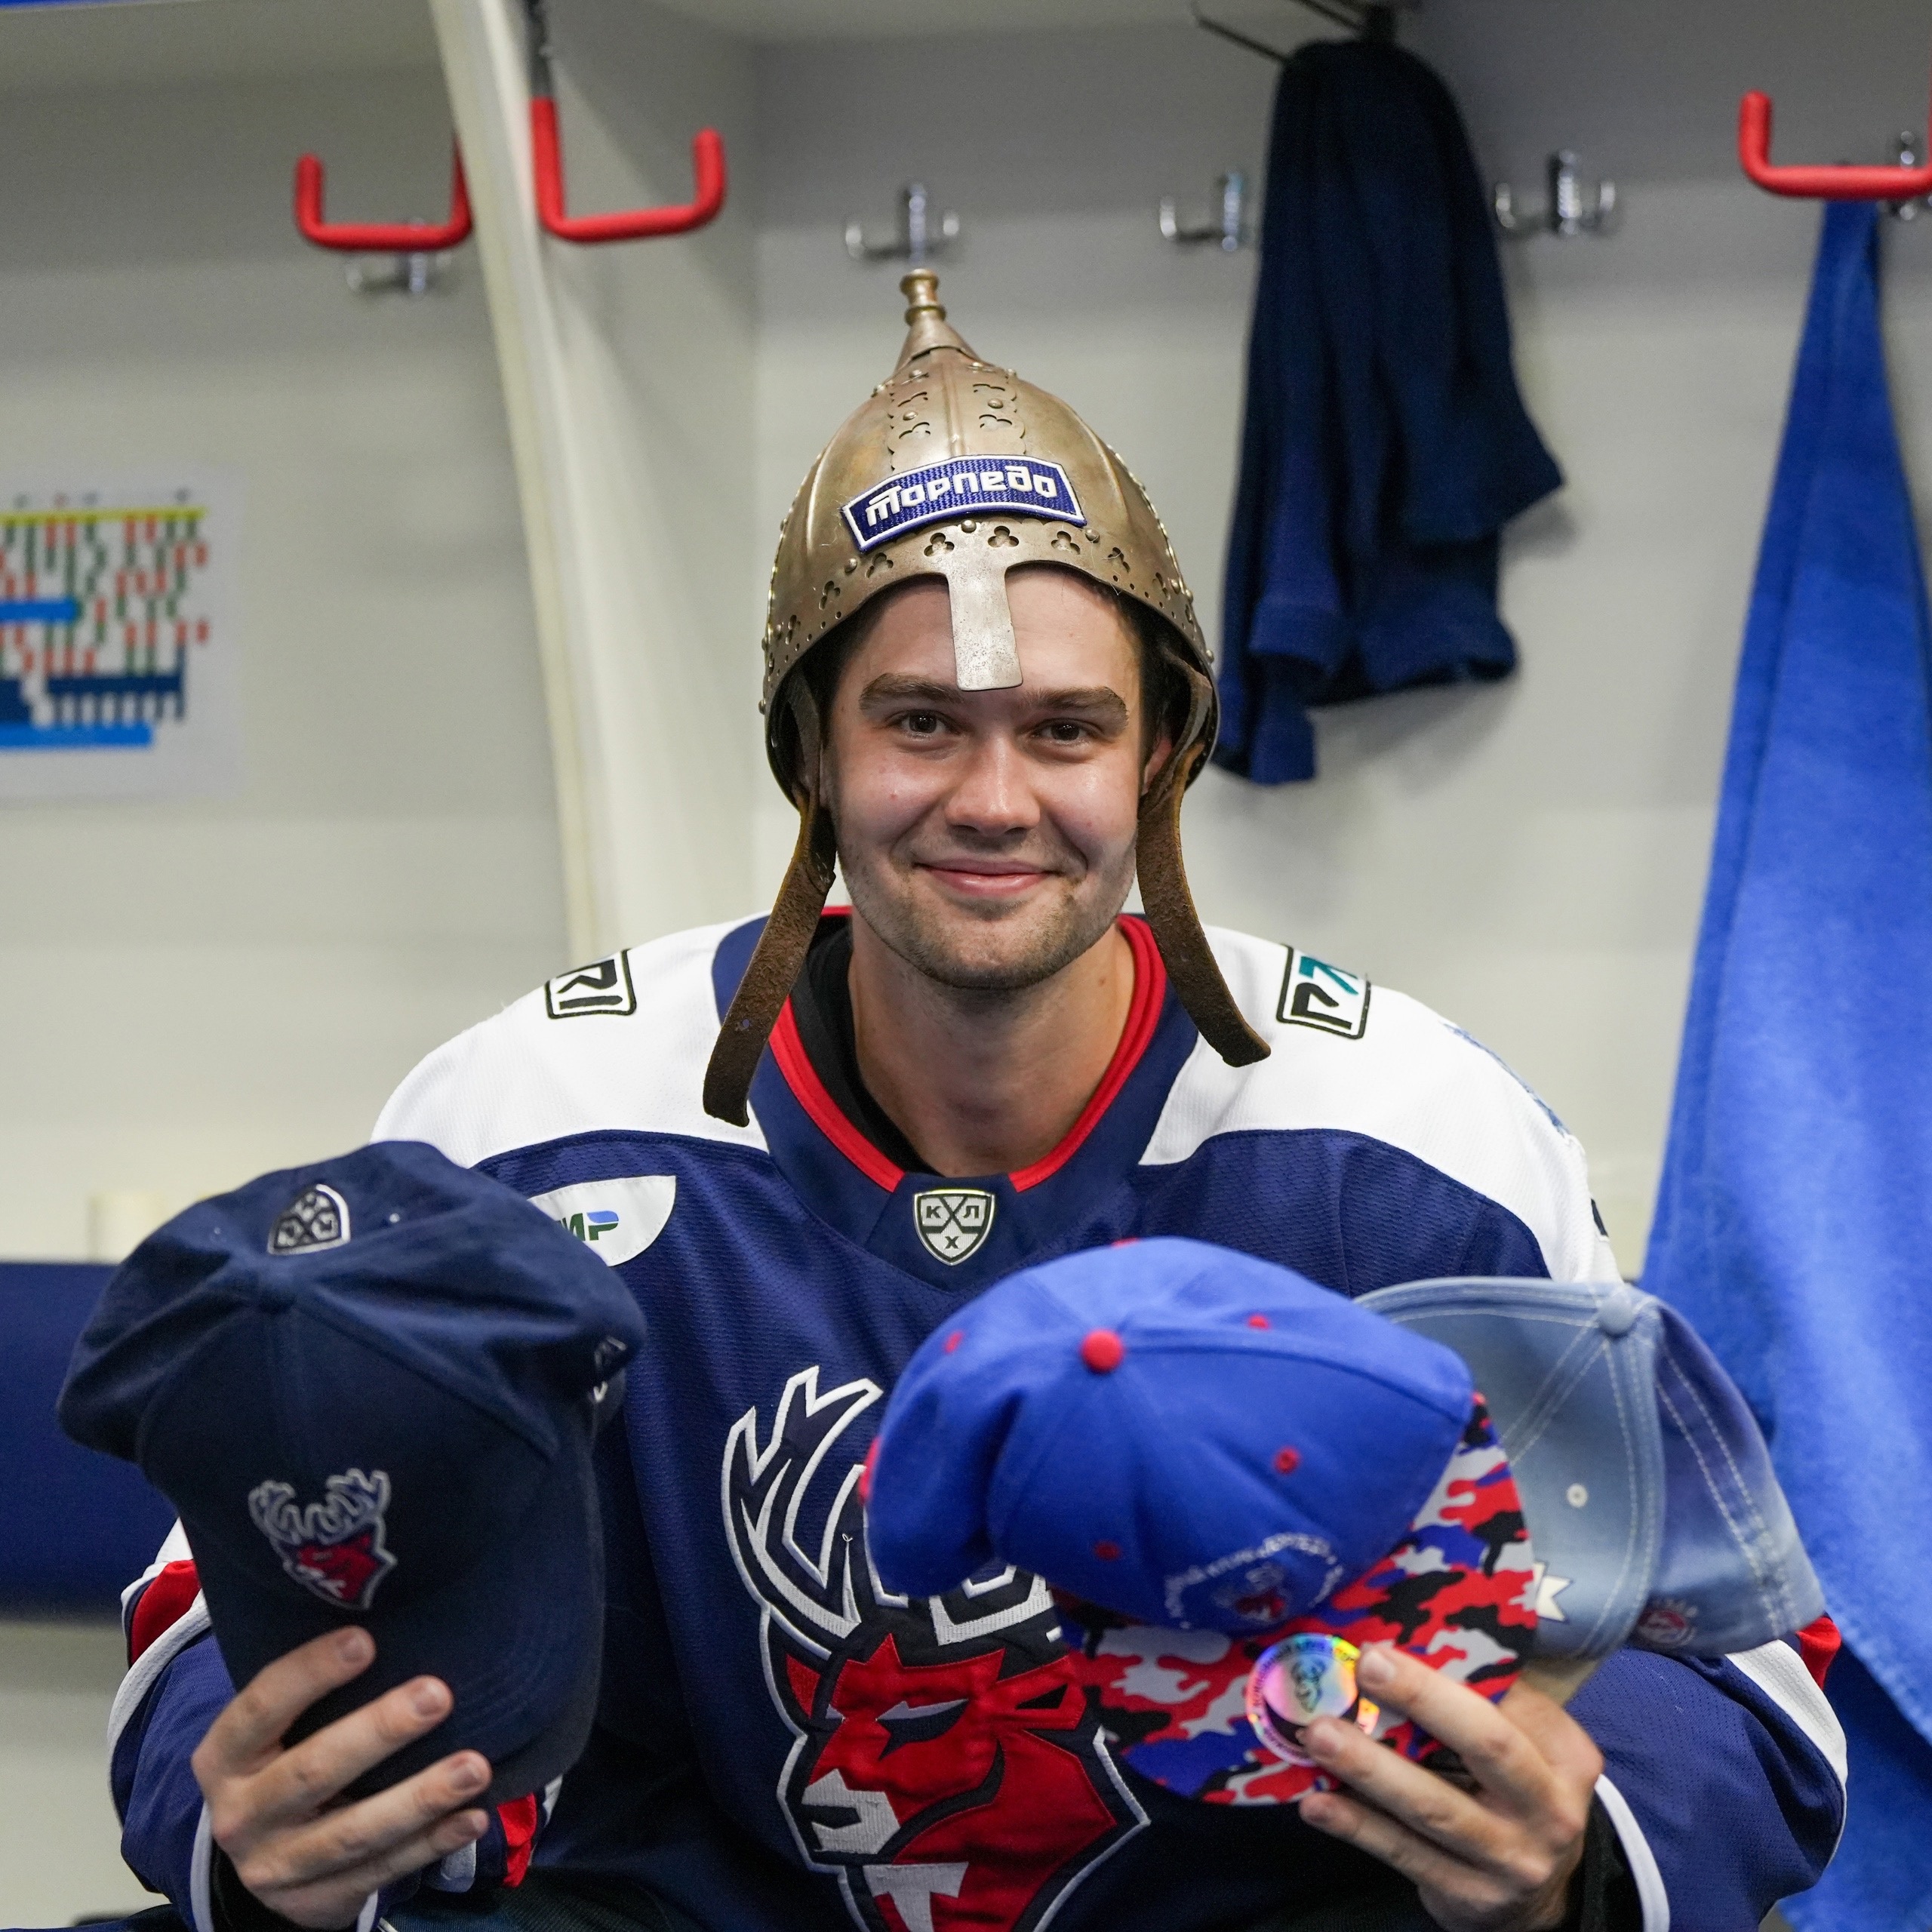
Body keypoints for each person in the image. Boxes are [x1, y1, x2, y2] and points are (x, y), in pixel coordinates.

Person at [108, 275, 1844, 1932]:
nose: (994, 799)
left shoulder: (1406, 1141)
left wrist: (1569, 1843)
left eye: (1066, 729)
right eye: (922, 722)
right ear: (809, 750)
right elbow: (236, 1586)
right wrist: (258, 1832)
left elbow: (1729, 1658)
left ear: (1161, 751)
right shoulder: (523, 1123)